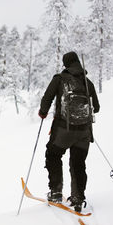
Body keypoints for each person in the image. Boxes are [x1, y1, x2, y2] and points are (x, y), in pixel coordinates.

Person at [38, 51, 100, 212]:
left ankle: (56, 192)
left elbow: (47, 97)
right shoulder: (88, 83)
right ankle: (78, 198)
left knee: (53, 154)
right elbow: (97, 108)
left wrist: (43, 112)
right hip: (84, 133)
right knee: (78, 164)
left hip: (63, 130)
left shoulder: (59, 79)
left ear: (65, 64)